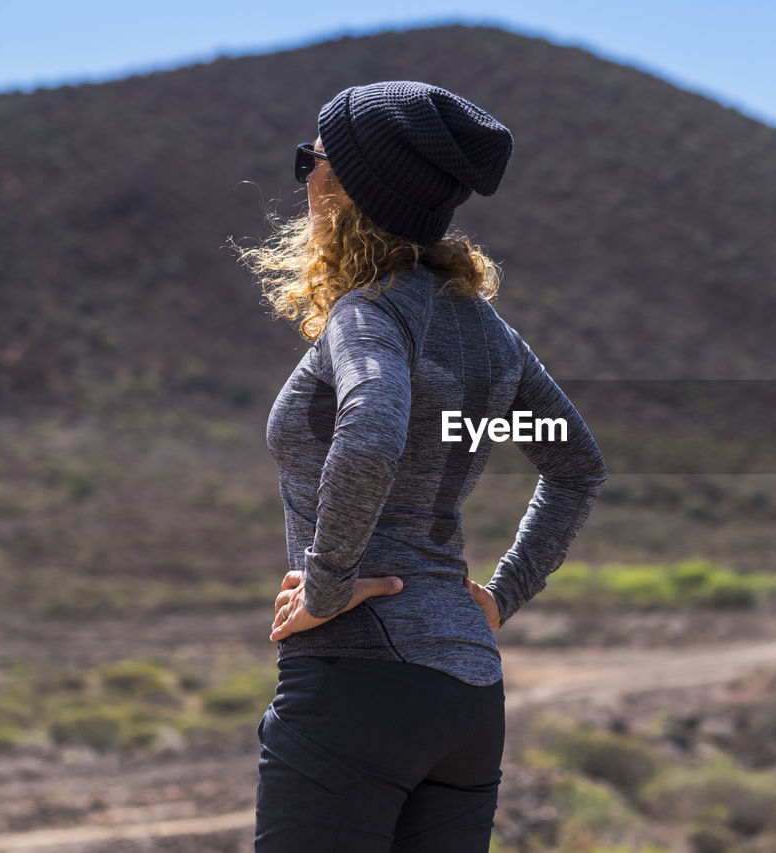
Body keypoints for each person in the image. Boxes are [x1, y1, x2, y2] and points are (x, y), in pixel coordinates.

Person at [238, 81, 608, 852]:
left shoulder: (367, 313)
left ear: (351, 191)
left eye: (314, 159)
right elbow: (575, 466)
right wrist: (501, 599)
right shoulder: (491, 336)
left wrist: (329, 583)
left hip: (358, 681)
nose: (304, 174)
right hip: (468, 697)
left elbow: (371, 429)